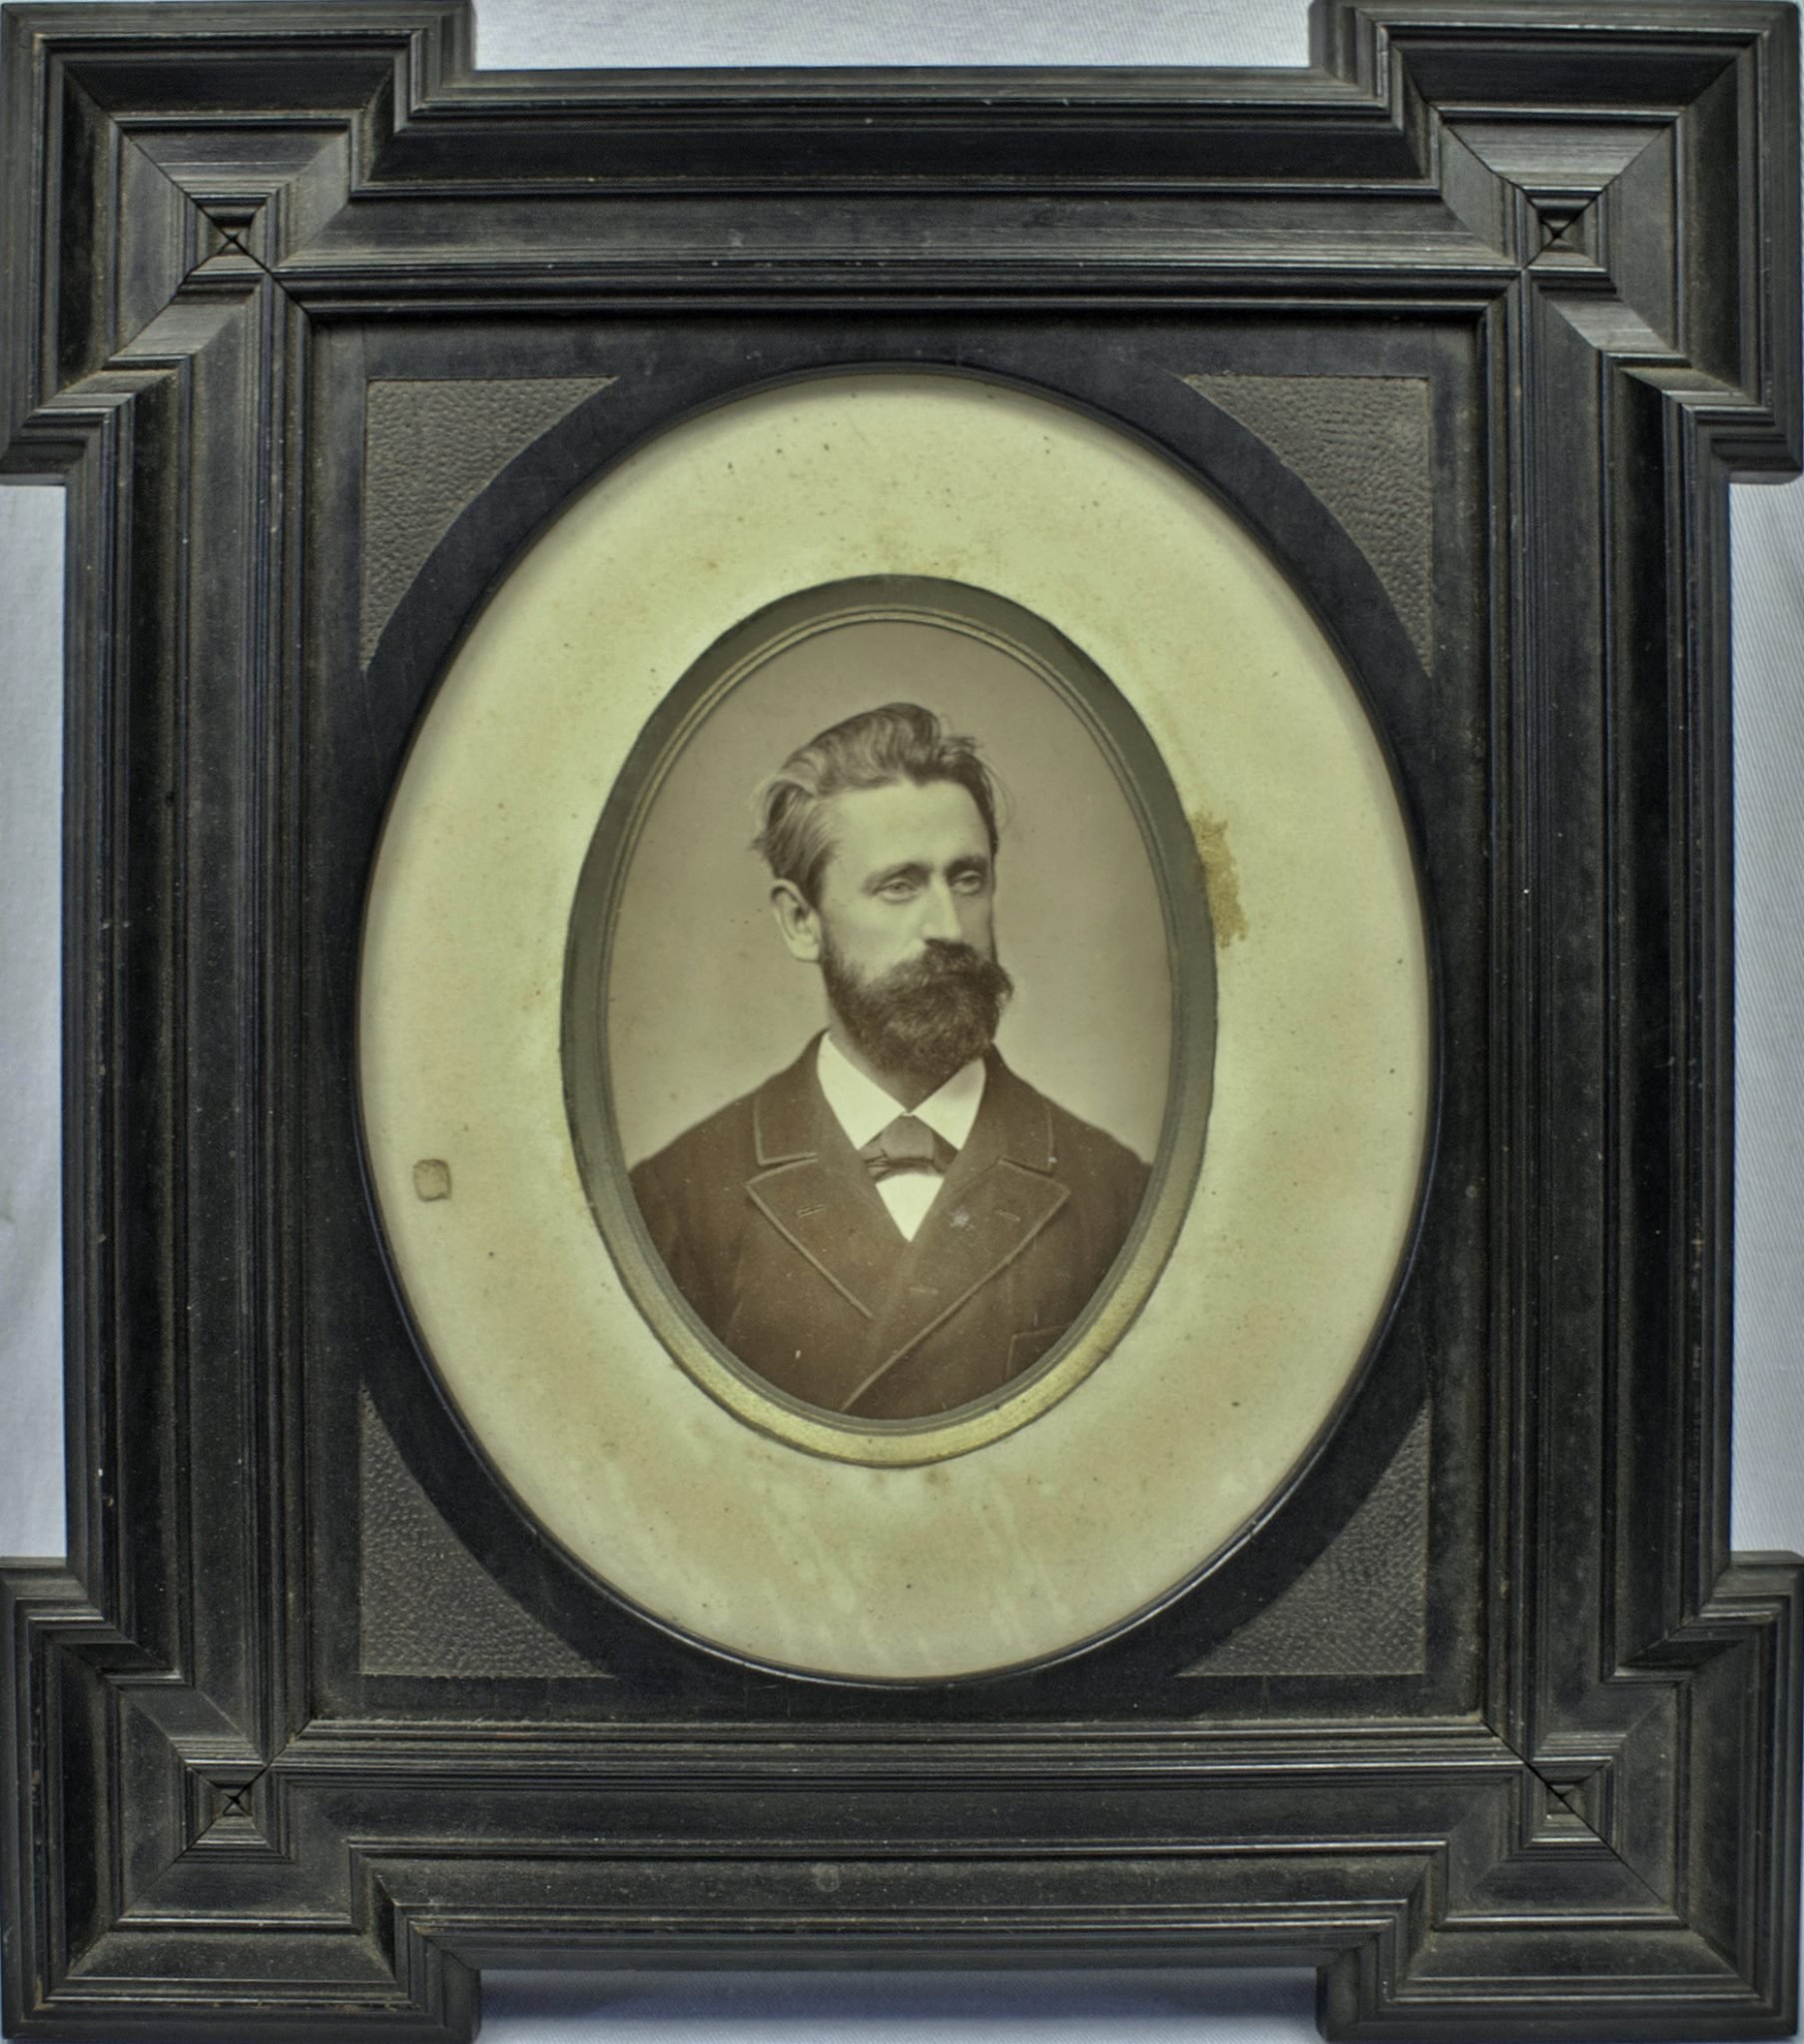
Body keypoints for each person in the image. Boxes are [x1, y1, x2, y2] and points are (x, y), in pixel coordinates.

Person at [629, 702, 1149, 1422]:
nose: (948, 927)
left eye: (967, 879)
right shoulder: (676, 1202)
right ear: (800, 921)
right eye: (899, 886)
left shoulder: (1115, 1194)